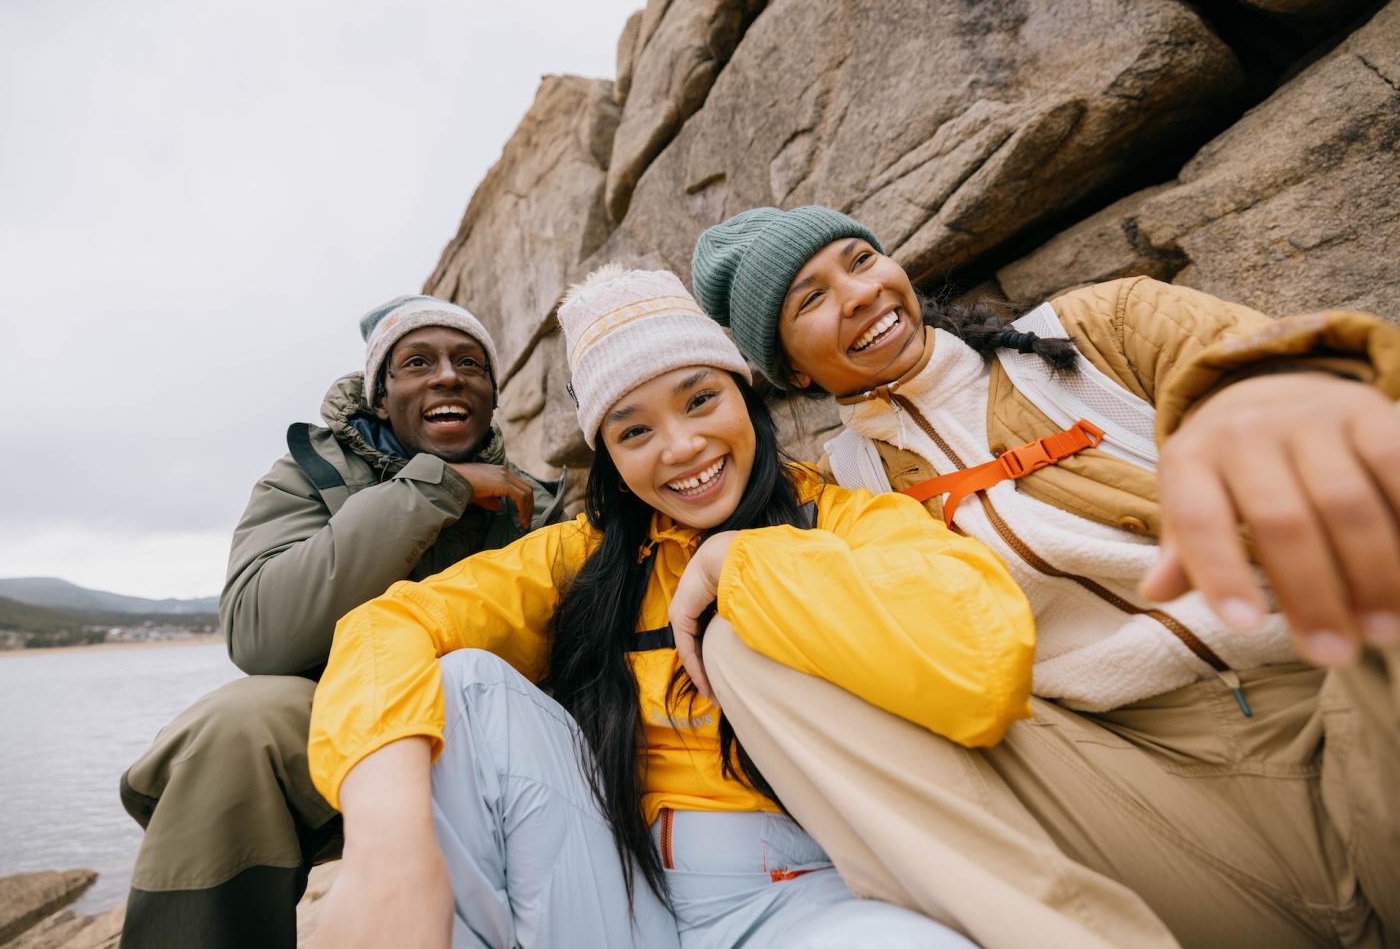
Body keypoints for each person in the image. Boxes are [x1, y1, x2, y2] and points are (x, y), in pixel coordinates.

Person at [687, 205, 1400, 947]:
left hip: (1340, 694)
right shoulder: (843, 495)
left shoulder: (1100, 328)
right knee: (746, 637)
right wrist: (728, 556)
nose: (860, 293)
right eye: (811, 298)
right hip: (1134, 792)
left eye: (860, 261)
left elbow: (1281, 376)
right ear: (793, 368)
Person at [305, 266, 1035, 949]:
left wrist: (740, 562)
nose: (682, 448)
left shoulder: (847, 520)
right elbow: (386, 625)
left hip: (805, 894)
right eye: (634, 430)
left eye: (700, 399)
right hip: (612, 888)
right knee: (466, 682)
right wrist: (389, 848)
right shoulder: (583, 556)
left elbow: (985, 662)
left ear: (746, 395)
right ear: (612, 460)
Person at [118, 296, 564, 949]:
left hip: (491, 730)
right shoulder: (307, 477)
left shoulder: (539, 503)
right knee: (238, 725)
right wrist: (431, 492)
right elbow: (258, 632)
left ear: (492, 397)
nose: (447, 376)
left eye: (469, 363)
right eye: (418, 362)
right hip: (342, 732)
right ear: (380, 397)